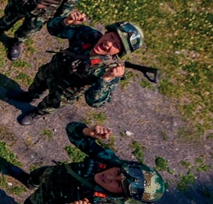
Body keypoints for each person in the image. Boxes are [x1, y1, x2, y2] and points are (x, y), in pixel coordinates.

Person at [6, 122, 165, 204]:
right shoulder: (110, 161)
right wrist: (86, 132)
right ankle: (28, 181)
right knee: (36, 175)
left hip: (50, 201)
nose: (109, 176)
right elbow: (71, 130)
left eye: (118, 184)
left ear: (123, 195)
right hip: (53, 174)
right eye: (118, 172)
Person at [7, 11, 144, 125]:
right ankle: (29, 96)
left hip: (65, 92)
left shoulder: (111, 70)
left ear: (119, 52)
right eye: (111, 36)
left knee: (50, 104)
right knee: (37, 84)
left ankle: (37, 113)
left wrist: (105, 79)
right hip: (51, 70)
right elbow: (53, 29)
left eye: (116, 45)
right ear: (107, 32)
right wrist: (66, 21)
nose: (108, 43)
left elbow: (94, 102)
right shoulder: (88, 35)